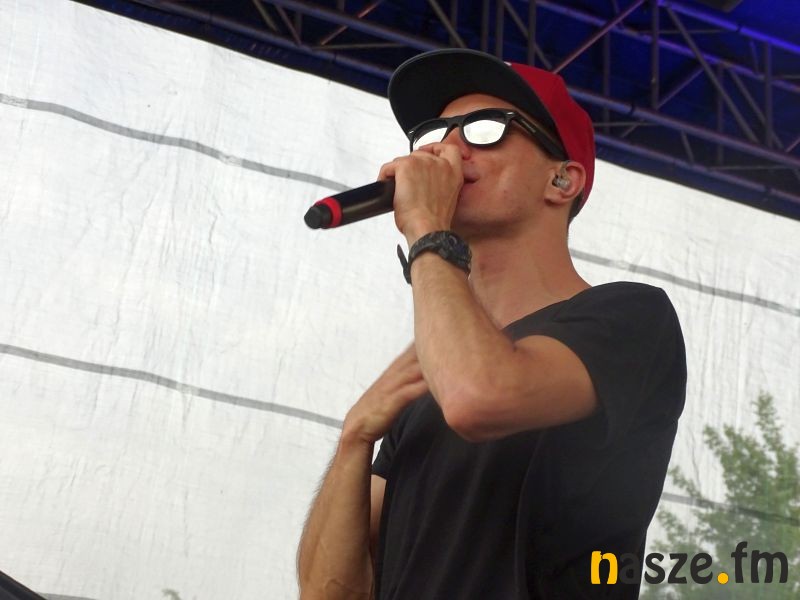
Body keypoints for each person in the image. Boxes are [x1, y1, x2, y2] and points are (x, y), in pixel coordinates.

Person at [296, 48, 687, 599]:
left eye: (485, 129)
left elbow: (479, 397)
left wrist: (427, 227)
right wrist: (355, 438)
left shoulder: (629, 317)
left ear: (563, 180)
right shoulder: (431, 375)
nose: (447, 149)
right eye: (434, 133)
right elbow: (327, 593)